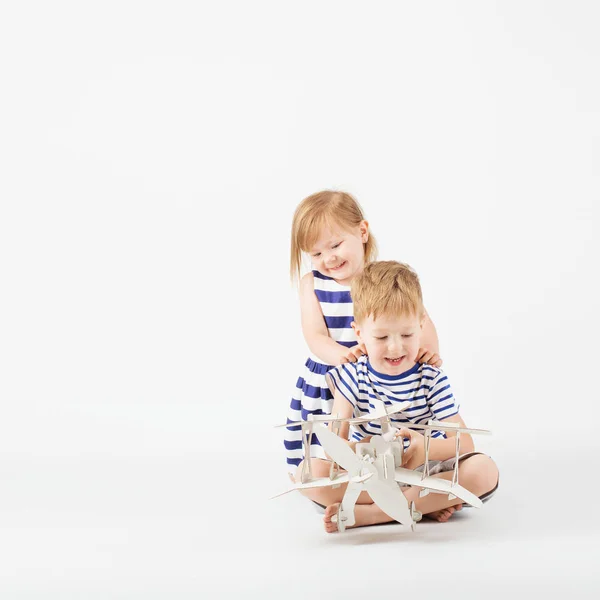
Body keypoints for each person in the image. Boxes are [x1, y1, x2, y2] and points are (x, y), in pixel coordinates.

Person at [300, 260, 499, 532]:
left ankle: (376, 514)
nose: (395, 347)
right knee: (308, 472)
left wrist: (422, 450)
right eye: (381, 337)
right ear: (359, 333)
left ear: (421, 325)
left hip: (427, 472)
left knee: (484, 470)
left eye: (406, 334)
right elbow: (334, 444)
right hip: (372, 475)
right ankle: (422, 506)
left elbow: (465, 444)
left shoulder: (431, 377)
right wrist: (364, 449)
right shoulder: (351, 376)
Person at [284, 191, 443, 473]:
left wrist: (426, 352)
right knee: (330, 449)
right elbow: (315, 336)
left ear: (362, 232)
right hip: (333, 376)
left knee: (384, 442)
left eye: (335, 245)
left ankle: (393, 478)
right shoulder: (312, 283)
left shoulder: (382, 279)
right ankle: (329, 477)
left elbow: (419, 319)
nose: (328, 258)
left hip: (379, 379)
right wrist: (347, 357)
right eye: (317, 253)